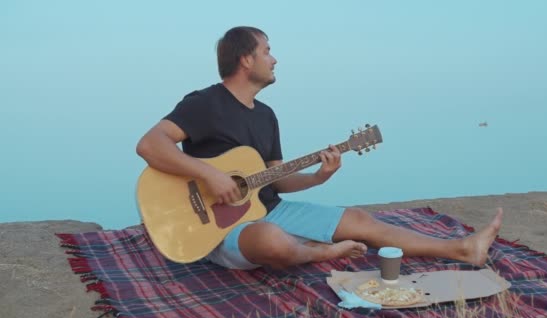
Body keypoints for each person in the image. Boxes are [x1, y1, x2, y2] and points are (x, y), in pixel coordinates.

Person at [136, 26, 503, 270]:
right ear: (245, 59)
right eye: (267, 51)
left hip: (269, 209)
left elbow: (274, 179)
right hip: (217, 227)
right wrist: (210, 174)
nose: (275, 58)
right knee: (270, 241)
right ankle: (322, 252)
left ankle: (461, 249)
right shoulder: (204, 103)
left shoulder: (266, 116)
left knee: (358, 219)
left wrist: (318, 177)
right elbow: (149, 144)